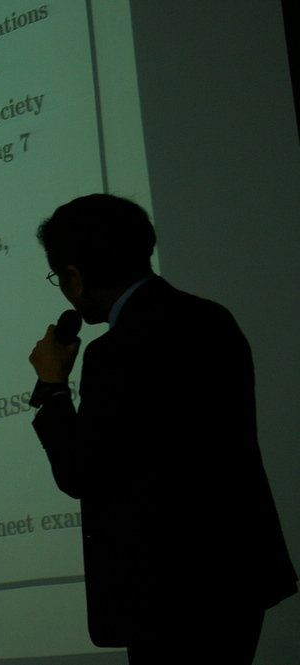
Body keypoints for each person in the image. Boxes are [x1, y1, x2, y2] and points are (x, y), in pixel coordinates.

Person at [28, 194, 296, 663]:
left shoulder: (116, 351)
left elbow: (79, 471)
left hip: (168, 592)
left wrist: (52, 386)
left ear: (76, 276)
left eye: (60, 279)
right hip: (238, 576)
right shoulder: (211, 317)